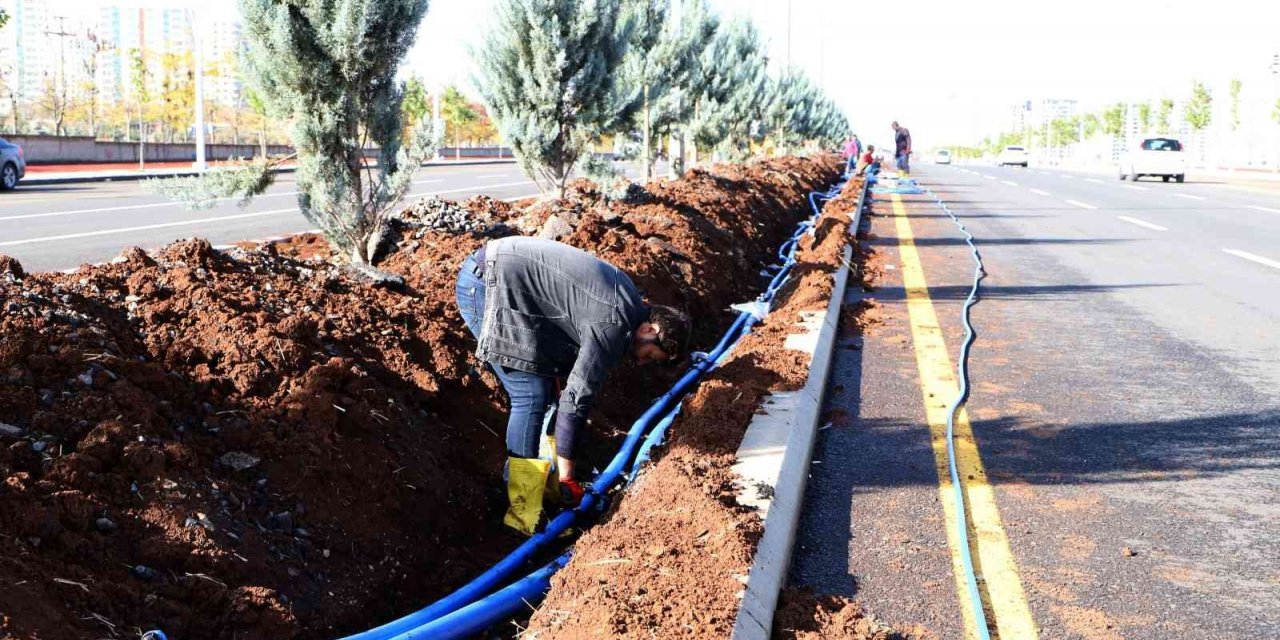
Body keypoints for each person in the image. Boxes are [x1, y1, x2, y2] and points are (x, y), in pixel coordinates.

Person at [455, 236, 691, 535]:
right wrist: (570, 478)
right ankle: (523, 511)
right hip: (488, 284)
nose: (642, 362)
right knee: (530, 393)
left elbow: (570, 391)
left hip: (512, 283)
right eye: (649, 355)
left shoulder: (628, 307)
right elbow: (576, 400)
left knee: (547, 381)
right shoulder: (613, 323)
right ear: (649, 330)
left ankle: (548, 486)